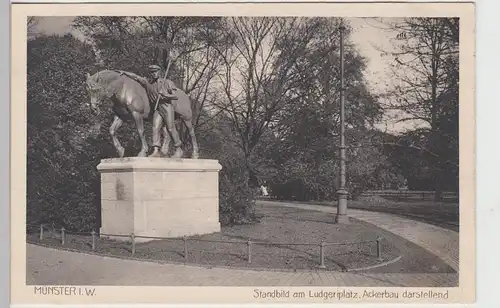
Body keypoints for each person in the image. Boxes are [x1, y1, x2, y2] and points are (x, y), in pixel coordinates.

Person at [116, 64, 183, 158]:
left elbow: (175, 96)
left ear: (159, 72)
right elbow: (136, 77)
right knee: (155, 128)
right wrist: (125, 73)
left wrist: (165, 95)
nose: (154, 74)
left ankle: (178, 149)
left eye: (155, 72)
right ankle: (156, 150)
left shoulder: (167, 82)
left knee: (171, 128)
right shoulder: (149, 84)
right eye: (152, 72)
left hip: (167, 107)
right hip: (157, 108)